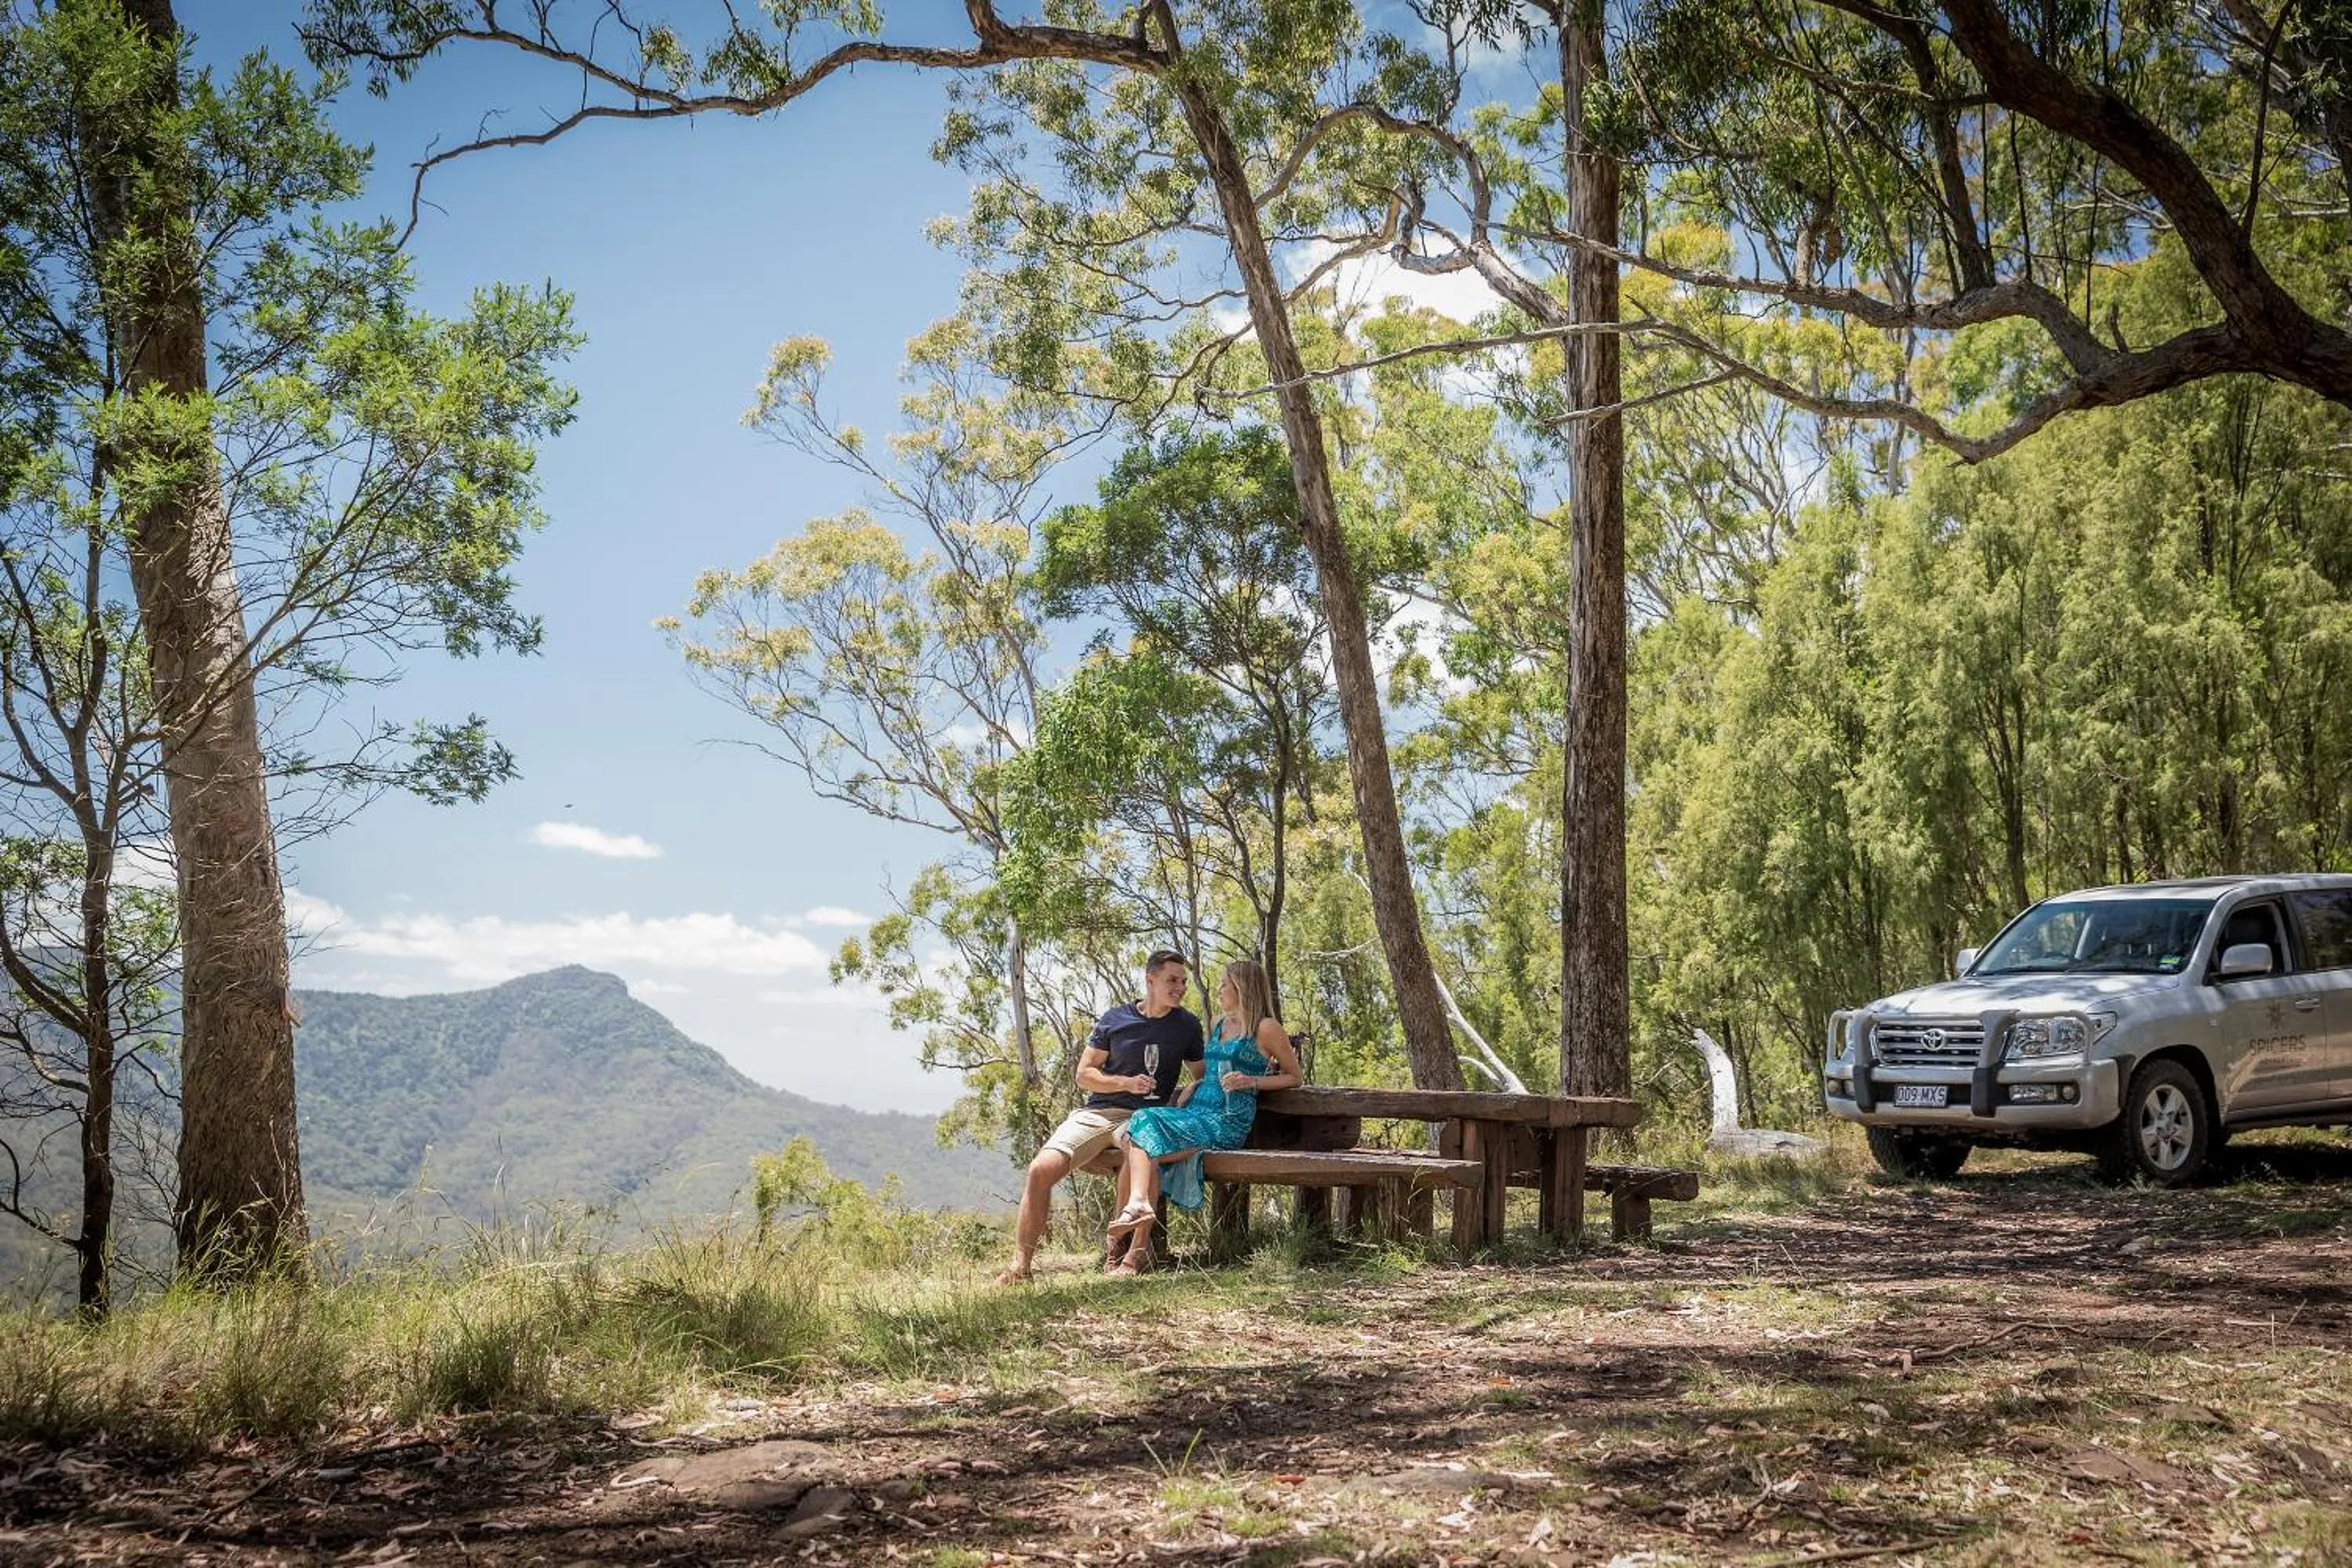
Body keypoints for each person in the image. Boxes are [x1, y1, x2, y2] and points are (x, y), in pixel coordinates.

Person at [995, 949, 1203, 1284]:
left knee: (1144, 1148)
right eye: (1172, 981)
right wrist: (1124, 1082)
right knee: (1039, 1170)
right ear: (1151, 980)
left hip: (1143, 1118)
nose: (1180, 987)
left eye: (1183, 982)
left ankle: (1133, 1255)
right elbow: (1084, 1074)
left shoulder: (1187, 1026)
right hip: (1098, 1114)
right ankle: (1021, 1266)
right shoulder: (1115, 1019)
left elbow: (1202, 1074)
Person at [1103, 958, 1301, 1276]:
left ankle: (1130, 1242)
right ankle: (1134, 1249)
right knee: (1141, 1135)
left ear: (1242, 988)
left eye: (1224, 984)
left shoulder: (1266, 1028)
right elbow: (1213, 1070)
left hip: (1225, 1120)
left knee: (1141, 1135)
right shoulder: (1220, 1024)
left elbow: (1294, 1077)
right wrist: (1197, 1083)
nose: (1220, 990)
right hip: (1198, 1111)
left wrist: (1252, 1081)